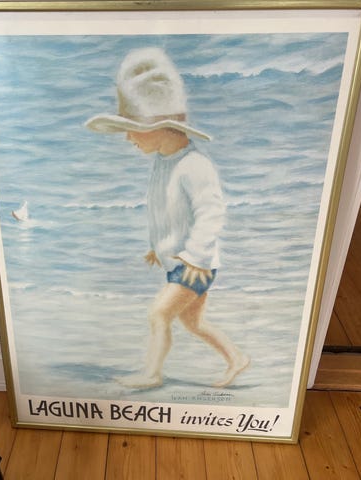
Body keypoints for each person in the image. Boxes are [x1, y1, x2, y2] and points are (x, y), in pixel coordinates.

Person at [86, 47, 249, 389]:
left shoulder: (194, 165)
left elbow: (211, 212)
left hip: (196, 265)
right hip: (181, 263)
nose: (128, 137)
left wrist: (195, 257)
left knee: (159, 313)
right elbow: (165, 212)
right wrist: (156, 247)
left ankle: (152, 374)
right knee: (193, 323)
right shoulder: (164, 163)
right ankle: (236, 358)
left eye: (133, 128)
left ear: (163, 128)